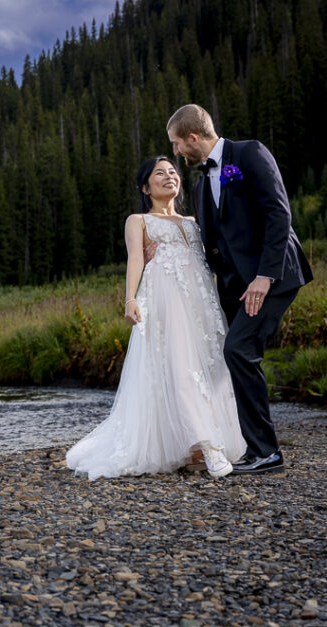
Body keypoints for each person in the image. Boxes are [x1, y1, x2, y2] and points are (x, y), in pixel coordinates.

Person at [66, 156, 245, 480]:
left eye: (173, 171)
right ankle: (208, 445)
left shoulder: (194, 220)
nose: (169, 176)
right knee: (179, 366)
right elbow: (135, 258)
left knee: (211, 364)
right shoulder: (138, 220)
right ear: (145, 187)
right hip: (164, 297)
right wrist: (131, 298)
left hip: (200, 300)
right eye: (159, 173)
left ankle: (193, 448)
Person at [166, 104, 313, 475]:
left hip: (274, 275)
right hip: (235, 287)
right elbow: (212, 244)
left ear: (193, 137)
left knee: (239, 350)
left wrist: (265, 277)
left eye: (177, 144)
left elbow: (279, 213)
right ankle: (250, 446)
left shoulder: (248, 153)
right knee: (233, 356)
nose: (176, 152)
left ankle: (267, 452)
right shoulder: (200, 185)